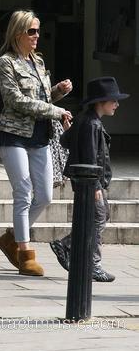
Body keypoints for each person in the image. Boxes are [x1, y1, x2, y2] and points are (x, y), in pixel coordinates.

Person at [0, 9, 73, 276]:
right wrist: (56, 111)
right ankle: (25, 255)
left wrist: (57, 94)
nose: (37, 36)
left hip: (40, 137)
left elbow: (42, 101)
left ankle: (11, 238)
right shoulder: (6, 62)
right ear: (18, 33)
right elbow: (16, 101)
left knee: (46, 195)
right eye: (32, 31)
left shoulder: (37, 62)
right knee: (24, 193)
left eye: (38, 30)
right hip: (14, 136)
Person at [50, 76, 129, 282]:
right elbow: (89, 157)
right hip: (90, 182)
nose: (117, 104)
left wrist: (70, 130)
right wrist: (94, 185)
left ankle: (69, 246)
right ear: (100, 102)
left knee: (98, 217)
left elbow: (66, 141)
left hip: (90, 182)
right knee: (98, 218)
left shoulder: (85, 119)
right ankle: (91, 263)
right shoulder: (92, 123)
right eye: (113, 100)